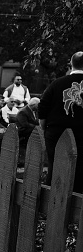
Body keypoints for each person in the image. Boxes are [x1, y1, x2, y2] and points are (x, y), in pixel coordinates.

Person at [39, 51, 83, 192]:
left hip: (56, 131)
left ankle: (52, 198)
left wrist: (44, 127)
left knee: (55, 164)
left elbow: (43, 106)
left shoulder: (56, 84)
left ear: (71, 64)